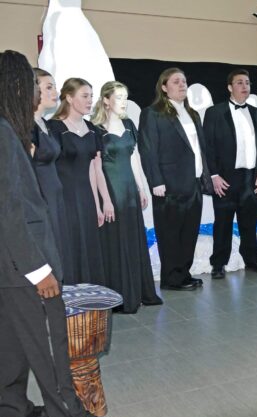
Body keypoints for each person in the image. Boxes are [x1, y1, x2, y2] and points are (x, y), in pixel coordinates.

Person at [0, 49, 124, 417]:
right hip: (24, 263)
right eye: (32, 85)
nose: (36, 93)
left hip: (8, 265)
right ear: (16, 87)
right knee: (49, 344)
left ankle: (10, 409)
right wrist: (38, 270)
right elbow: (9, 210)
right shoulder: (4, 133)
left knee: (11, 341)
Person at [92, 81, 162, 312]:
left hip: (130, 190)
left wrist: (141, 188)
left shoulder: (129, 124)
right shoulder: (96, 128)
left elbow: (135, 158)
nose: (124, 102)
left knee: (132, 240)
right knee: (115, 242)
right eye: (119, 97)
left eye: (125, 97)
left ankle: (138, 291)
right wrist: (105, 200)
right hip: (111, 191)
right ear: (106, 100)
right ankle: (118, 295)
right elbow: (96, 167)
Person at [138, 68, 207, 290]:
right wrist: (156, 181)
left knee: (189, 233)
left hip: (193, 183)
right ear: (164, 87)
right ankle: (171, 278)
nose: (182, 85)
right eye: (176, 81)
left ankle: (183, 274)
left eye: (184, 81)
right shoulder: (152, 113)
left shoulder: (193, 114)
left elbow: (200, 150)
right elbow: (148, 150)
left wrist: (205, 177)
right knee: (170, 234)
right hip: (168, 185)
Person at [203, 69, 257, 279]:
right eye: (239, 82)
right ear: (229, 87)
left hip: (251, 177)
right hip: (225, 178)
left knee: (249, 223)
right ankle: (218, 263)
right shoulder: (214, 113)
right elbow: (208, 147)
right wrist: (213, 175)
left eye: (247, 83)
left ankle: (252, 260)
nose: (245, 86)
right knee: (223, 223)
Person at [48, 78, 110, 285]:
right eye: (85, 96)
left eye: (91, 96)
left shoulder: (92, 129)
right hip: (64, 197)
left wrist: (98, 204)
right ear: (68, 97)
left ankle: (90, 297)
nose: (90, 100)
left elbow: (93, 169)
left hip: (86, 197)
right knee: (71, 246)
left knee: (90, 247)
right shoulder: (54, 128)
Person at [32, 68, 74, 282]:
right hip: (41, 197)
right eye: (48, 87)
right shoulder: (26, 127)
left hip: (55, 195)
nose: (55, 92)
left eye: (55, 87)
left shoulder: (45, 124)